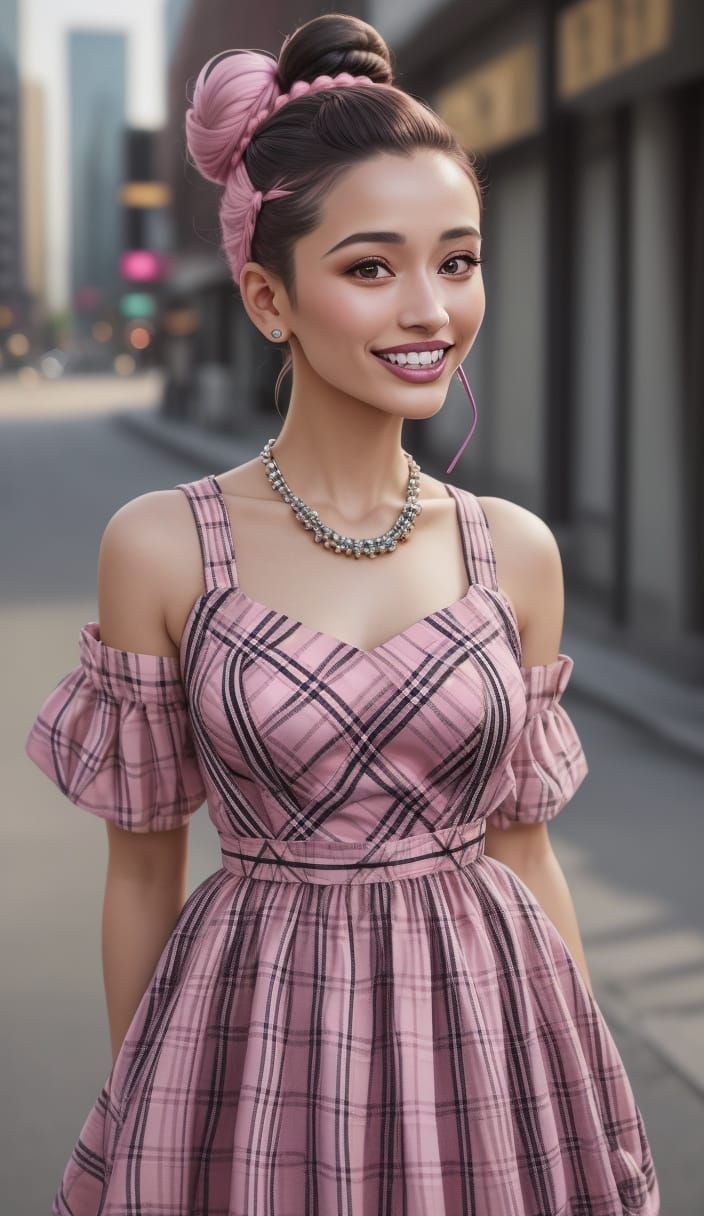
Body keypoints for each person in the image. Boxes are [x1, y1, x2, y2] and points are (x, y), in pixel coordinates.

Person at [25, 12, 660, 1215]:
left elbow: (523, 848)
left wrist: (591, 1109)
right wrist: (148, 1110)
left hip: (491, 1034)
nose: (428, 309)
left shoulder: (511, 551)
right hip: (251, 1031)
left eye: (457, 260)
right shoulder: (163, 546)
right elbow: (142, 874)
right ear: (268, 297)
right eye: (371, 267)